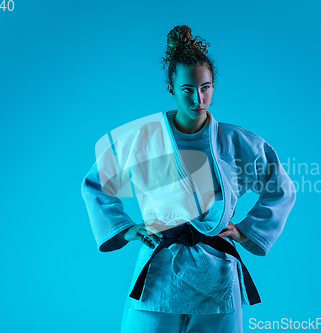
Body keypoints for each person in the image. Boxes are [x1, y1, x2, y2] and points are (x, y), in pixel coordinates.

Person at [81, 24, 296, 333]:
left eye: (205, 87)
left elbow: (282, 189)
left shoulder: (237, 142)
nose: (198, 98)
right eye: (188, 89)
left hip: (217, 274)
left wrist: (246, 231)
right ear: (172, 88)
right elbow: (95, 184)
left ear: (213, 87)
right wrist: (125, 229)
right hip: (160, 273)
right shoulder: (143, 139)